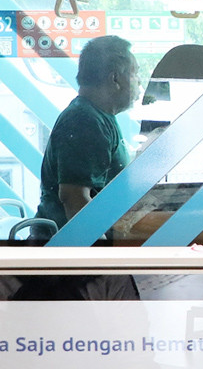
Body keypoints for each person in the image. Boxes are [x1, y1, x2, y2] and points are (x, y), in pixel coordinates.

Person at [35, 35, 138, 233]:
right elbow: (74, 199)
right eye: (134, 74)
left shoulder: (99, 116)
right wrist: (102, 251)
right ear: (115, 78)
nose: (138, 82)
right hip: (68, 247)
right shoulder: (84, 121)